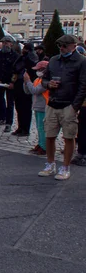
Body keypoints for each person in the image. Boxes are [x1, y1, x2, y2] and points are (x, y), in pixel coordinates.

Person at [38, 35, 86, 180]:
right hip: (53, 102)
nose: (62, 48)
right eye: (60, 46)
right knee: (50, 135)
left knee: (68, 136)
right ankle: (50, 164)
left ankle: (65, 167)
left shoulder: (81, 61)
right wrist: (48, 84)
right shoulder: (53, 60)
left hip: (68, 104)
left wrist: (74, 106)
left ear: (73, 45)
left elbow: (83, 86)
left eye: (65, 45)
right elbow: (44, 79)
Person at [11, 43, 38, 136]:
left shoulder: (32, 57)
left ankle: (25, 129)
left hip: (26, 84)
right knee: (19, 107)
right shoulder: (21, 57)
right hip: (18, 83)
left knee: (25, 108)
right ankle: (20, 127)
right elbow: (15, 67)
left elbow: (31, 68)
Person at [23, 61, 48, 156]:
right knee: (39, 127)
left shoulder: (45, 81)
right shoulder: (38, 79)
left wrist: (28, 81)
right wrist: (25, 83)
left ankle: (44, 147)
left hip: (43, 107)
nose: (37, 71)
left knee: (43, 128)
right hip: (37, 106)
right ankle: (41, 144)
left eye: (39, 70)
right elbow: (28, 91)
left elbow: (35, 90)